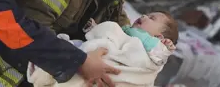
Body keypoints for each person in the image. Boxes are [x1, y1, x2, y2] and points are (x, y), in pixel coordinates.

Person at [27, 11, 178, 86]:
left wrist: (165, 48)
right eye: (147, 14)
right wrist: (95, 29)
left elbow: (158, 58)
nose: (144, 16)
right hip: (97, 59)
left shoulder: (153, 50)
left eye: (152, 18)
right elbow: (109, 37)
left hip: (114, 72)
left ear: (159, 38)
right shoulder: (126, 33)